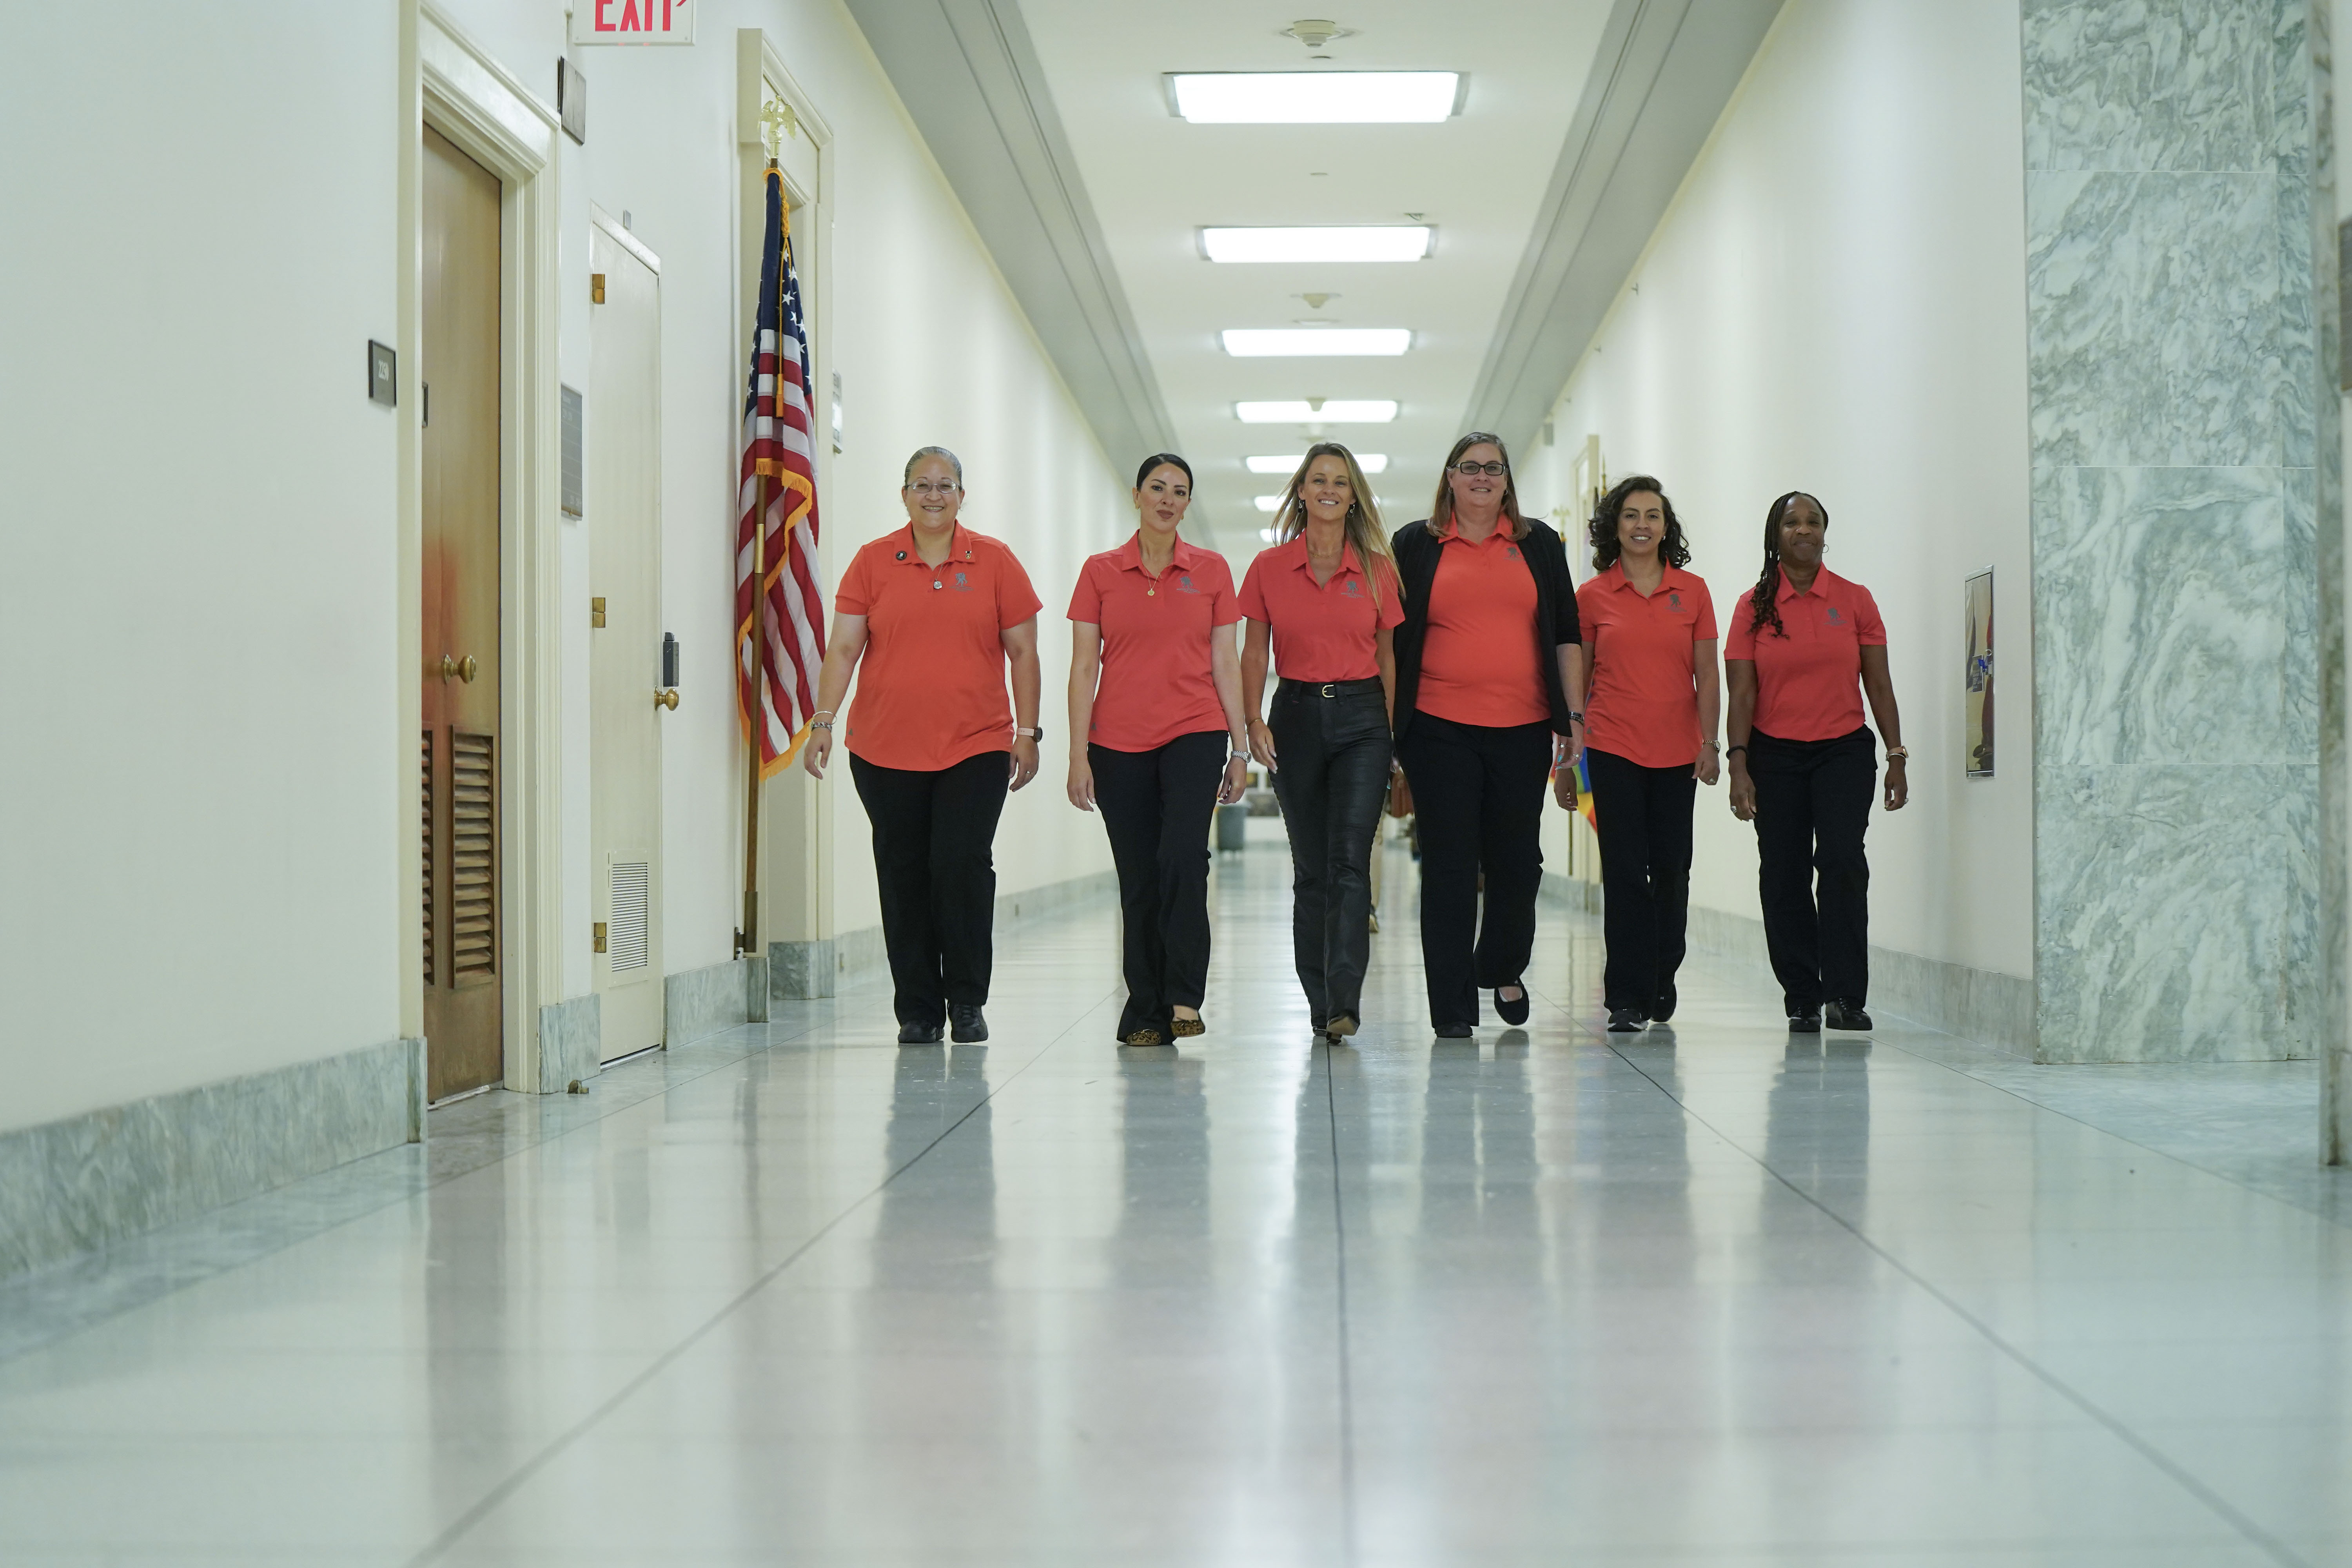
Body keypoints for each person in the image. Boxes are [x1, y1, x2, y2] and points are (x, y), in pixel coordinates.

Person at [803, 446, 1043, 1045]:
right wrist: (823, 721)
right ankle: (917, 1009)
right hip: (884, 749)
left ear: (963, 494)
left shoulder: (995, 561)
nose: (933, 495)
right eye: (921, 485)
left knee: (961, 866)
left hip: (977, 744)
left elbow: (1023, 653)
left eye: (945, 485)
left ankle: (966, 1001)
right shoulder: (873, 562)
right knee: (903, 872)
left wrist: (1028, 732)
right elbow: (843, 650)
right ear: (904, 494)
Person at [1390, 433, 1584, 1038]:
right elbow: (1390, 639)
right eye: (1469, 468)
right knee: (1449, 864)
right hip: (1437, 728)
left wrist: (1573, 721)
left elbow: (1567, 636)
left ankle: (1501, 964)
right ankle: (1451, 1010)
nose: (1481, 478)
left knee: (1518, 862)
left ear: (1506, 480)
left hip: (1523, 728)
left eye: (1492, 469)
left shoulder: (1540, 544)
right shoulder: (1414, 545)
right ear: (1449, 477)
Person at [1067, 453, 1250, 1047]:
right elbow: (1084, 666)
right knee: (1139, 876)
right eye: (1158, 488)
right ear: (1137, 495)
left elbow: (1226, 661)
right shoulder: (1100, 572)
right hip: (1117, 742)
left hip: (1195, 732)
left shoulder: (1213, 570)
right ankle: (1144, 1008)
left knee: (1181, 858)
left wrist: (1240, 749)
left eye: (1180, 492)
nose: (1168, 499)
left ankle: (1182, 997)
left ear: (1188, 504)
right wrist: (1077, 755)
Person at [1725, 490, 1908, 1032]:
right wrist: (1738, 764)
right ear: (1775, 536)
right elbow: (1742, 694)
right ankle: (1802, 994)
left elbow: (1878, 682)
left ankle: (1847, 996)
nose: (1803, 530)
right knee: (1783, 874)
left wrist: (1896, 754)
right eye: (1791, 523)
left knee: (1843, 862)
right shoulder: (1751, 606)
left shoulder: (1855, 600)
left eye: (1813, 522)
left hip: (1843, 750)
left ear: (1825, 534)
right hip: (1773, 754)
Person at [1240, 443, 1403, 1043]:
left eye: (1340, 480)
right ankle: (1319, 1003)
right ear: (1302, 492)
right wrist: (1253, 722)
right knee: (1312, 871)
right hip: (1296, 716)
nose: (1329, 489)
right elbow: (1255, 651)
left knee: (1349, 864)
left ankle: (1346, 999)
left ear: (1353, 494)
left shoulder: (1380, 570)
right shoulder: (1268, 568)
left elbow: (1387, 658)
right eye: (1318, 480)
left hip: (1363, 719)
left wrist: (1391, 737)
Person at [1569, 475, 1720, 1033]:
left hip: (1678, 752)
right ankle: (1625, 996)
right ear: (1614, 526)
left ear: (1665, 526)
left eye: (1652, 515)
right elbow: (1578, 679)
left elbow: (1707, 673)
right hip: (1613, 749)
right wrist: (1569, 755)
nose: (1641, 525)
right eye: (1630, 515)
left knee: (1673, 870)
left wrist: (1711, 743)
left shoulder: (1695, 591)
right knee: (1627, 873)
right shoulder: (1592, 597)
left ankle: (1663, 973)